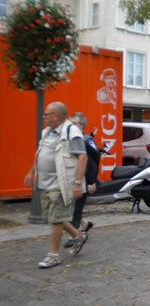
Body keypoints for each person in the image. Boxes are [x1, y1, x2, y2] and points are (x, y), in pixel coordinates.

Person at [24, 102, 88, 268]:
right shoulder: (46, 132)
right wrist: (32, 172)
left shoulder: (71, 131)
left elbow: (82, 157)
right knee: (54, 218)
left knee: (57, 219)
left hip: (61, 183)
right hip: (44, 183)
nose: (44, 117)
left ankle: (53, 255)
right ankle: (77, 236)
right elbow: (40, 154)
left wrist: (77, 184)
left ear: (56, 116)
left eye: (47, 114)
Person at [63, 112, 100, 248]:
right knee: (71, 209)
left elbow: (93, 162)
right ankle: (84, 224)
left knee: (74, 210)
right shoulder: (71, 138)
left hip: (83, 181)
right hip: (71, 180)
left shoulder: (86, 140)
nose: (69, 126)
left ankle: (74, 237)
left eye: (73, 124)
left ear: (82, 126)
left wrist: (91, 181)